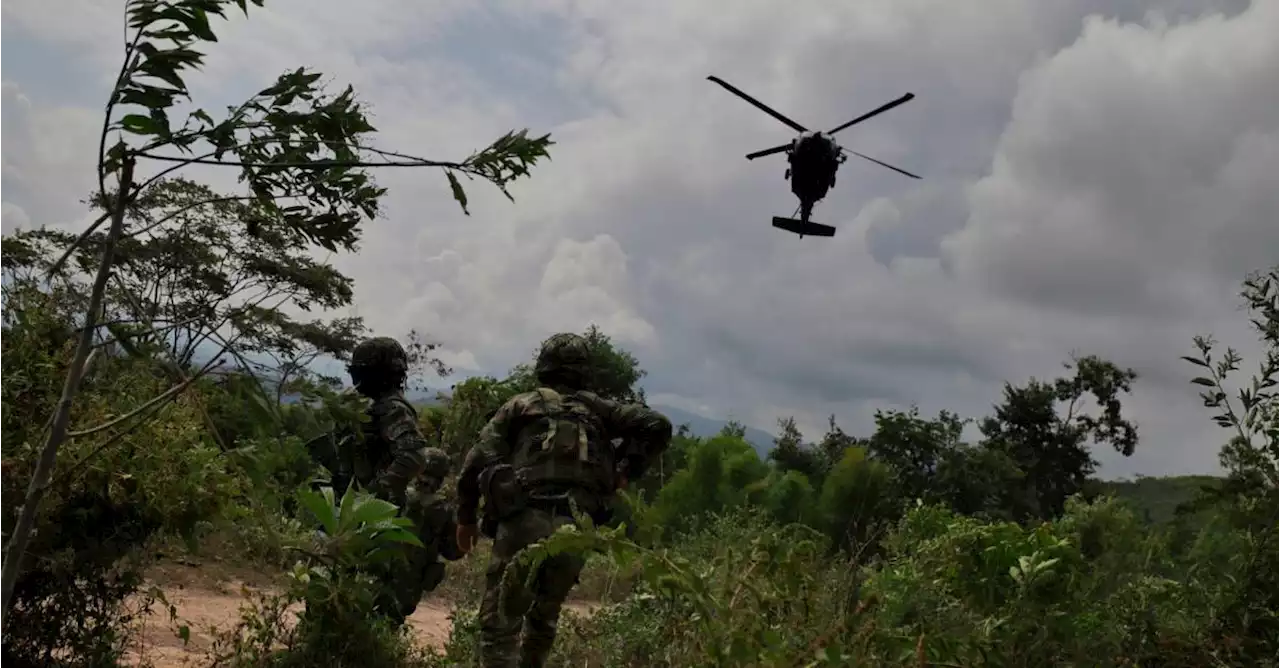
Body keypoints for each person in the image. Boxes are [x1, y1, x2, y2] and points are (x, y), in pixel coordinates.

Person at [453, 332, 673, 668]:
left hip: (523, 519)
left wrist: (466, 517)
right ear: (584, 370)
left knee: (500, 623)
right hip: (576, 527)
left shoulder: (520, 405)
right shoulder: (600, 410)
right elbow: (657, 425)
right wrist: (627, 468)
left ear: (543, 366)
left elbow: (476, 462)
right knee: (544, 617)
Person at [342, 336, 431, 623]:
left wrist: (378, 492)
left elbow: (415, 455)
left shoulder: (391, 408)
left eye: (362, 371)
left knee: (378, 590)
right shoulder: (372, 406)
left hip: (380, 515)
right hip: (362, 509)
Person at [391, 447, 465, 622]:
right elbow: (454, 552)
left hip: (377, 576)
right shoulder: (441, 510)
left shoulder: (395, 493)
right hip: (408, 588)